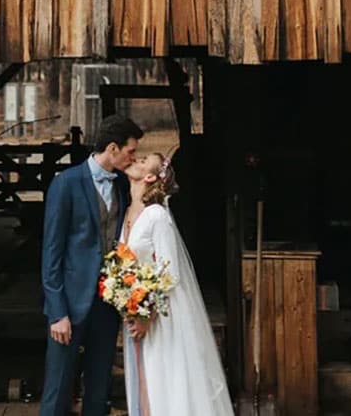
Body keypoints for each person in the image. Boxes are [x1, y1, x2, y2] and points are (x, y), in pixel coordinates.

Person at [40, 115, 142, 416]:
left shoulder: (123, 184)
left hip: (107, 304)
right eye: (130, 151)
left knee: (99, 389)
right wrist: (57, 311)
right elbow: (51, 253)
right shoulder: (66, 184)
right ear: (113, 148)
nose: (133, 157)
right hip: (69, 305)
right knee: (58, 388)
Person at [120, 153, 234, 416]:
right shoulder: (129, 212)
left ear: (149, 177)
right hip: (137, 312)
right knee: (143, 380)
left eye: (143, 160)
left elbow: (170, 272)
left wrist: (147, 314)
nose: (136, 159)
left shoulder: (157, 216)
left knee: (164, 383)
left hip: (160, 317)